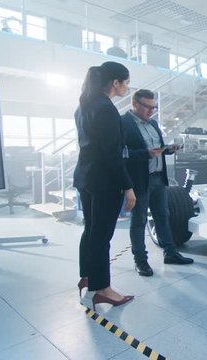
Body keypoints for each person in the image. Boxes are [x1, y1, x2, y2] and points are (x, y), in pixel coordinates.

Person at [74, 61, 136, 310]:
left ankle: (87, 276)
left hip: (85, 177)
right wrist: (128, 187)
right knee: (102, 236)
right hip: (104, 182)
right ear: (115, 83)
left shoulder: (83, 107)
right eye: (126, 82)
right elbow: (112, 154)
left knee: (91, 230)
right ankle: (103, 289)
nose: (127, 87)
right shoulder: (106, 109)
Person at [121, 89, 194, 277]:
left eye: (154, 107)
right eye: (147, 107)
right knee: (139, 221)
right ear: (135, 104)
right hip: (139, 181)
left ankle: (170, 253)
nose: (151, 111)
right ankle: (141, 261)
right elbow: (121, 154)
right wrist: (145, 154)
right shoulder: (123, 123)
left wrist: (169, 150)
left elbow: (157, 150)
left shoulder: (153, 123)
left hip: (158, 178)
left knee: (163, 216)